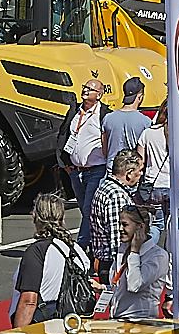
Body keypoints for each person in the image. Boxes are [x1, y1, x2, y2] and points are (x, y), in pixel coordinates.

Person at [11, 192, 95, 326]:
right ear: (62, 216)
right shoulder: (76, 249)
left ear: (35, 216)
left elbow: (29, 301)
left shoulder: (37, 252)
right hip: (75, 322)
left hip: (46, 325)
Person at [63, 79, 110, 247]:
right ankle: (96, 244)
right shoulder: (75, 111)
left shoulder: (104, 114)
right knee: (85, 211)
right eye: (84, 87)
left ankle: (80, 248)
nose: (85, 90)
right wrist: (64, 163)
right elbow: (63, 135)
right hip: (75, 170)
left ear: (99, 95)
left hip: (96, 170)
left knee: (90, 209)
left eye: (90, 89)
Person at [88, 148, 146, 282]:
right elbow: (118, 241)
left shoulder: (106, 187)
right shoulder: (116, 196)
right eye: (140, 170)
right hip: (113, 266)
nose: (141, 174)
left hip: (106, 263)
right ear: (129, 173)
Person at [104, 205, 169, 320]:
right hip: (118, 319)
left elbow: (134, 285)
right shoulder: (123, 249)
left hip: (141, 321)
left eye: (125, 224)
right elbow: (119, 285)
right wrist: (104, 288)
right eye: (119, 224)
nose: (120, 229)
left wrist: (135, 252)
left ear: (140, 227)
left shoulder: (157, 256)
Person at [103, 78, 151, 160]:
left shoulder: (107, 118)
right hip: (134, 169)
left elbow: (105, 150)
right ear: (140, 97)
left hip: (112, 169)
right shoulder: (146, 121)